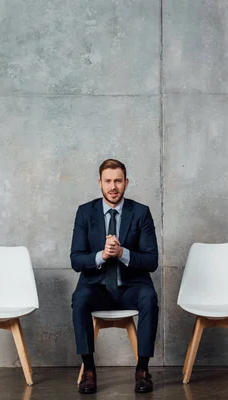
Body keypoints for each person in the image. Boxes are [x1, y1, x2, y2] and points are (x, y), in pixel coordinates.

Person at [70, 159, 159, 394]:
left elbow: (152, 261)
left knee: (149, 297)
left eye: (118, 181)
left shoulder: (141, 213)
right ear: (99, 183)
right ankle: (88, 370)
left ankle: (142, 369)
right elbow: (76, 260)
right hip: (97, 289)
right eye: (108, 181)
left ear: (126, 183)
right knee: (79, 298)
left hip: (131, 288)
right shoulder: (85, 212)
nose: (113, 187)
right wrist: (101, 254)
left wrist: (122, 253)